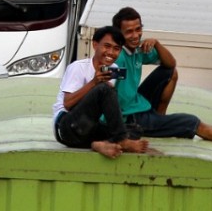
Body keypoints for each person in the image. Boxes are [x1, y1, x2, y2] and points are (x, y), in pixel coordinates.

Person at [112, 8, 212, 151]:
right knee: (191, 121)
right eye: (129, 32)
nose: (135, 35)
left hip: (138, 104)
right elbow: (107, 89)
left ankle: (160, 117)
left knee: (169, 71)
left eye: (138, 29)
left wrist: (156, 44)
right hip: (130, 117)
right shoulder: (118, 58)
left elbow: (171, 63)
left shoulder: (137, 50)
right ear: (119, 34)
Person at [52, 26, 149, 158]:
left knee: (135, 130)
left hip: (87, 128)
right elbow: (67, 104)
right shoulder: (78, 67)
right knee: (104, 89)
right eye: (107, 46)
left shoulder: (112, 69)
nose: (110, 52)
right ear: (95, 44)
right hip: (66, 127)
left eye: (116, 49)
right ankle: (120, 140)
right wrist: (94, 83)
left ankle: (97, 144)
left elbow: (103, 107)